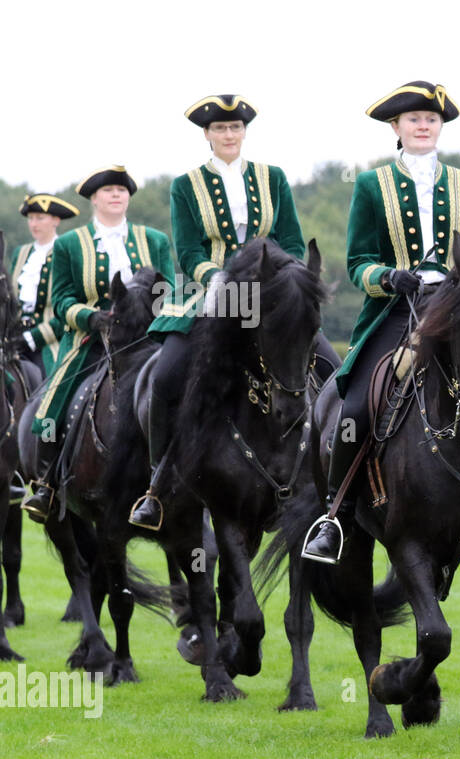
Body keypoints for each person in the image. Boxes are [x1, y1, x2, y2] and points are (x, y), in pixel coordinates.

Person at [301, 81, 460, 563]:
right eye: (413, 119)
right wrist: (388, 275)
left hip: (455, 307)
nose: (423, 125)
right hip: (397, 308)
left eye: (431, 119)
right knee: (357, 407)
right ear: (396, 127)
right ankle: (334, 516)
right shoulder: (370, 185)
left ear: (440, 126)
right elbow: (357, 261)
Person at [128, 94, 314, 530]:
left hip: (270, 297)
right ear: (207, 135)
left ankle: (325, 481)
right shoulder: (185, 185)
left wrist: (284, 283)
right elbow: (188, 249)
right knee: (167, 374)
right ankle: (159, 482)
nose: (228, 135)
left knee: (329, 364)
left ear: (244, 132)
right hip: (213, 294)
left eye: (235, 128)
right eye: (220, 129)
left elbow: (290, 238)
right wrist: (218, 277)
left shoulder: (274, 178)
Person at [23, 167, 174, 522]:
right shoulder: (68, 244)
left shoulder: (154, 240)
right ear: (93, 198)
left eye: (122, 190)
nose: (116, 195)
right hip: (89, 342)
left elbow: (171, 289)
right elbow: (60, 300)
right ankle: (47, 483)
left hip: (149, 342)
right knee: (51, 406)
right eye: (108, 191)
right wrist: (91, 317)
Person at [10, 193, 80, 377]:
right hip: (14, 339)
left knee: (49, 388)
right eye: (31, 218)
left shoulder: (66, 252)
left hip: (50, 343)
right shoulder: (21, 253)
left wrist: (33, 338)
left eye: (40, 218)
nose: (34, 224)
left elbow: (66, 308)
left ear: (56, 220)